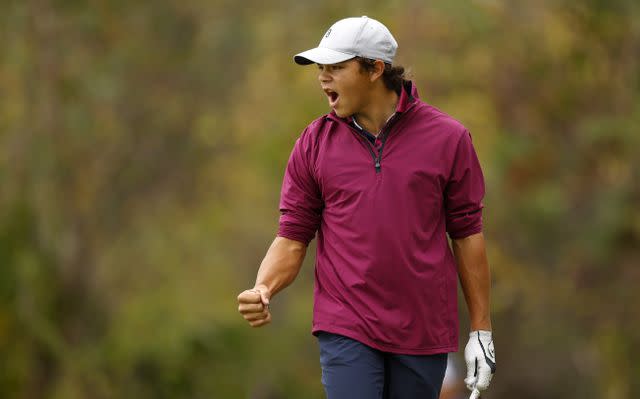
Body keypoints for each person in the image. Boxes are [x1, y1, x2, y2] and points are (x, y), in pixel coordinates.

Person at [237, 16, 496, 399]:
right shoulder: (314, 144)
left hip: (422, 330)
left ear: (375, 68)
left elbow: (467, 236)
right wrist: (263, 287)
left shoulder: (449, 139)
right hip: (346, 325)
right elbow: (291, 238)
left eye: (336, 68)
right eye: (321, 69)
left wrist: (481, 330)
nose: (323, 78)